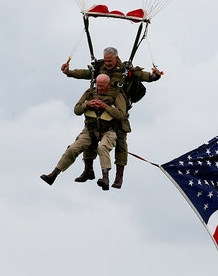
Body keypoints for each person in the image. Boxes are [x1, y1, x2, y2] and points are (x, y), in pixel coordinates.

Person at [60, 46, 162, 189]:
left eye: (110, 61)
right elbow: (86, 73)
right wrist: (69, 72)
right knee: (90, 135)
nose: (107, 64)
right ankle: (88, 170)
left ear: (116, 58)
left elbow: (144, 76)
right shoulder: (100, 67)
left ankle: (118, 178)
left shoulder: (126, 70)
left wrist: (154, 76)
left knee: (120, 144)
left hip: (118, 110)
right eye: (106, 61)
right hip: (100, 112)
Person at [40, 74, 126, 191]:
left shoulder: (117, 95)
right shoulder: (90, 93)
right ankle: (53, 175)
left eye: (102, 86)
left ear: (109, 85)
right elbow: (77, 110)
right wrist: (87, 104)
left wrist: (104, 106)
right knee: (72, 149)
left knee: (102, 147)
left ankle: (105, 178)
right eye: (98, 86)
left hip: (109, 131)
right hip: (90, 130)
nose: (99, 88)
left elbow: (121, 115)